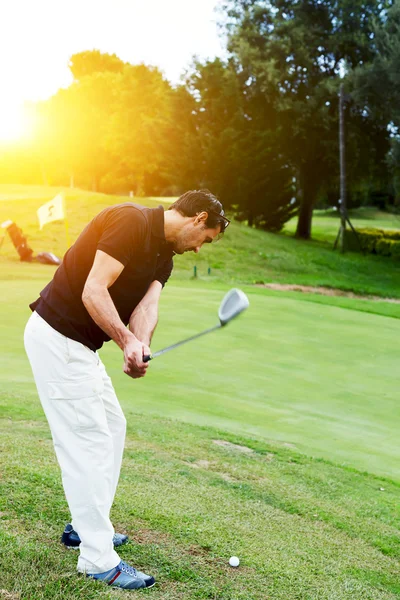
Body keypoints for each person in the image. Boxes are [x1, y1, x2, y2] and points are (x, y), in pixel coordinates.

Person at [24, 189, 229, 591]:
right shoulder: (130, 220)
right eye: (205, 239)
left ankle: (84, 526)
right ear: (198, 218)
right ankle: (98, 558)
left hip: (81, 348)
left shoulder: (165, 256)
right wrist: (124, 341)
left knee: (113, 428)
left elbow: (145, 308)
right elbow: (93, 290)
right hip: (58, 338)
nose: (200, 249)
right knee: (88, 442)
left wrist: (141, 344)